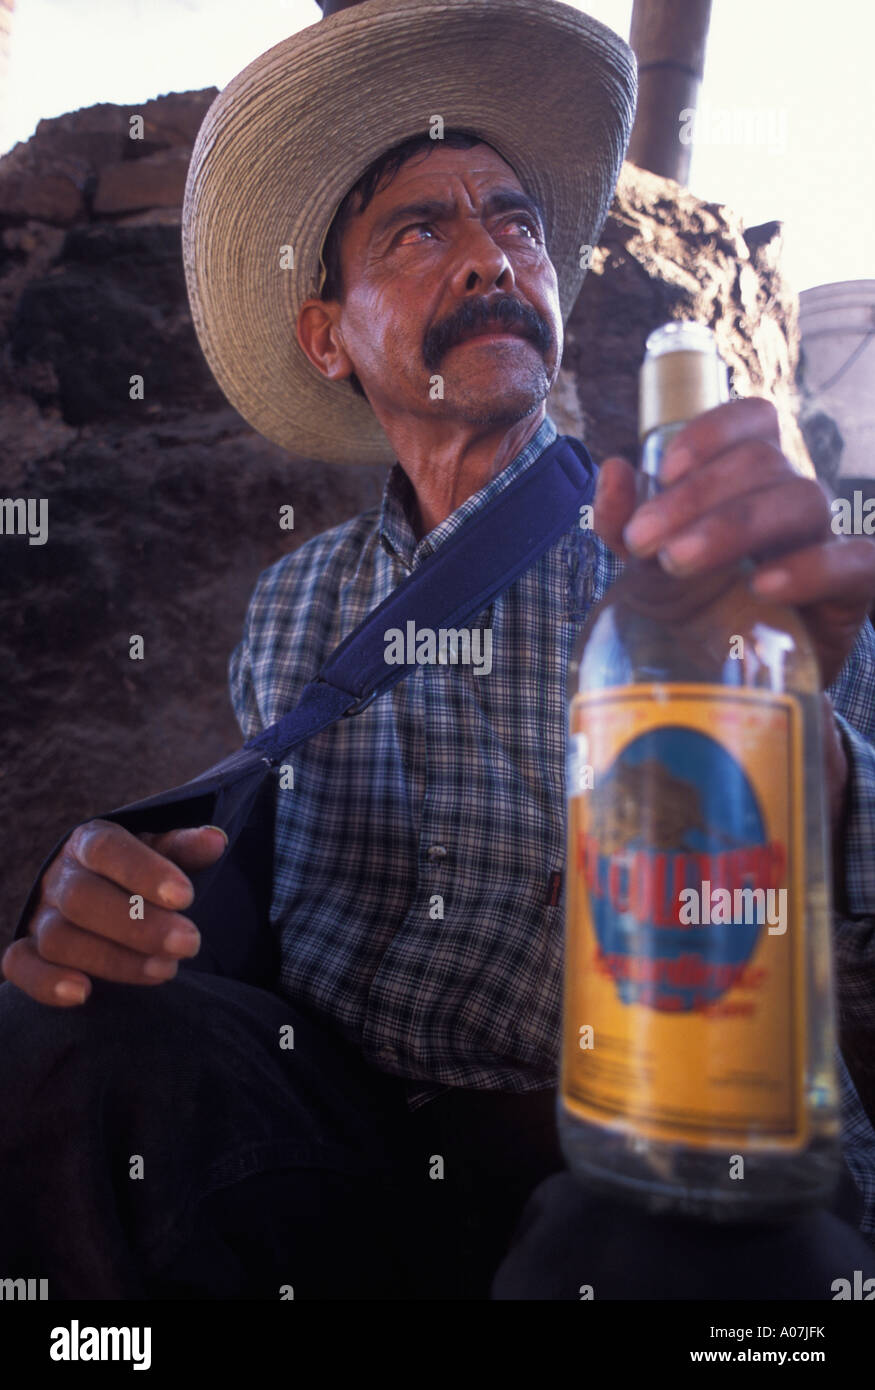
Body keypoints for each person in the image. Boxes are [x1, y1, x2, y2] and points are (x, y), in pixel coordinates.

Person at [3, 0, 875, 1300]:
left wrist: (802, 752)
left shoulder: (695, 561)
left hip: (615, 1148)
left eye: (516, 220)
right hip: (349, 1150)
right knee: (59, 1036)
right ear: (328, 336)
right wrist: (113, 909)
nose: (491, 258)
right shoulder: (297, 607)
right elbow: (250, 930)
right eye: (424, 228)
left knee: (670, 1226)